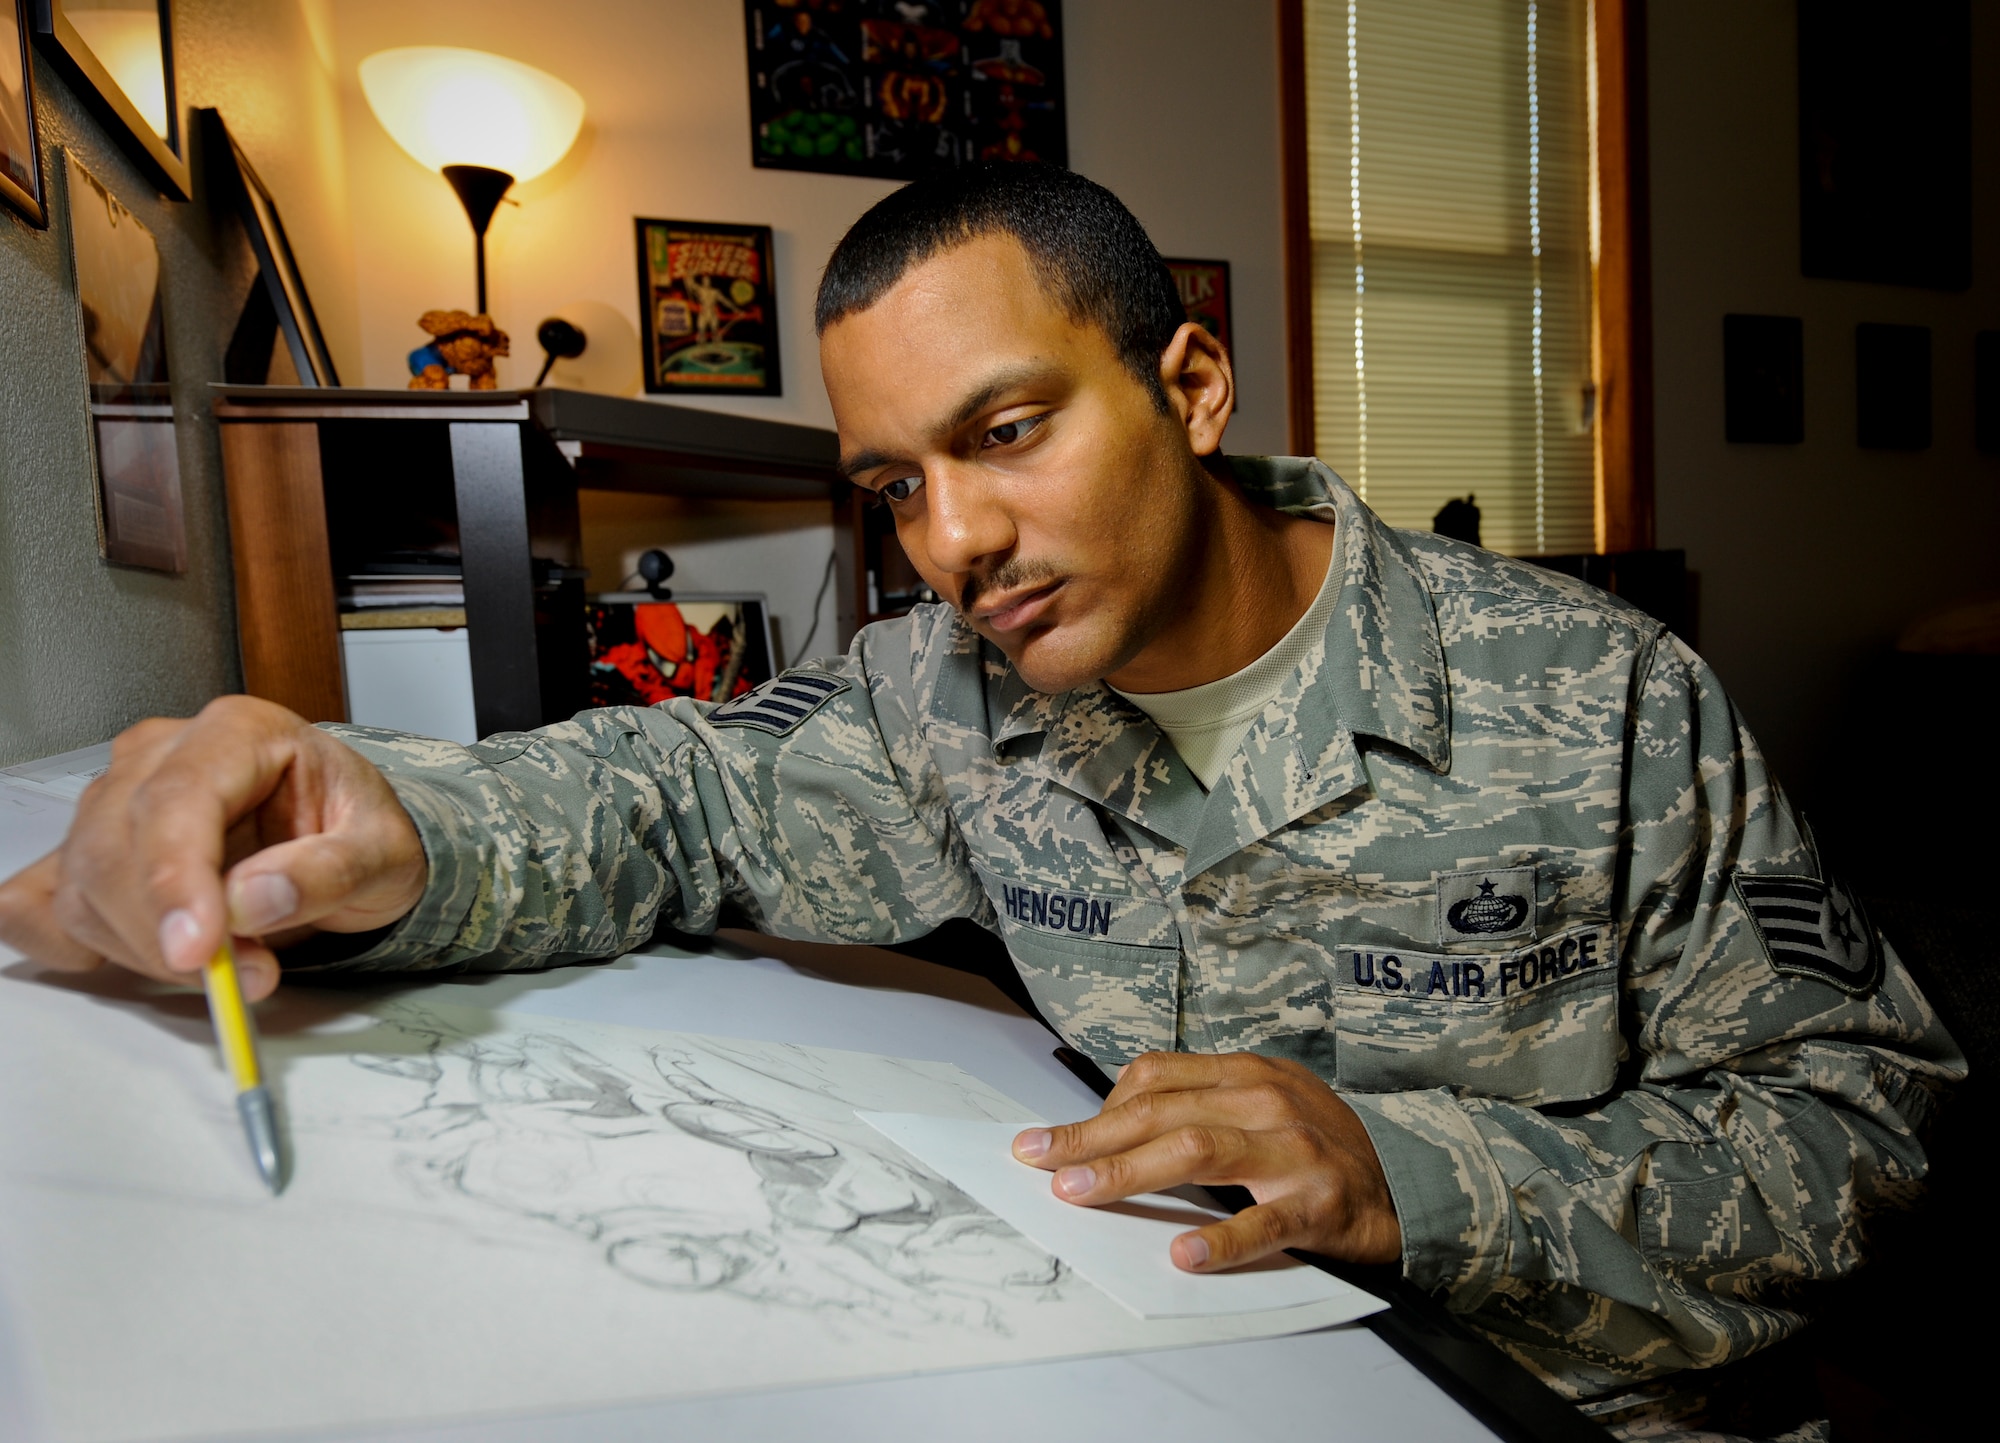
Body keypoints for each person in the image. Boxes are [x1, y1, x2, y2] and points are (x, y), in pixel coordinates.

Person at [0, 165, 1962, 1439]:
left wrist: (1404, 1175)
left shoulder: (1600, 697)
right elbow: (679, 798)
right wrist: (378, 820)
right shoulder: (945, 702)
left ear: (1189, 385)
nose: (952, 537)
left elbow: (1853, 1132)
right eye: (892, 483)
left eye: (1006, 432)